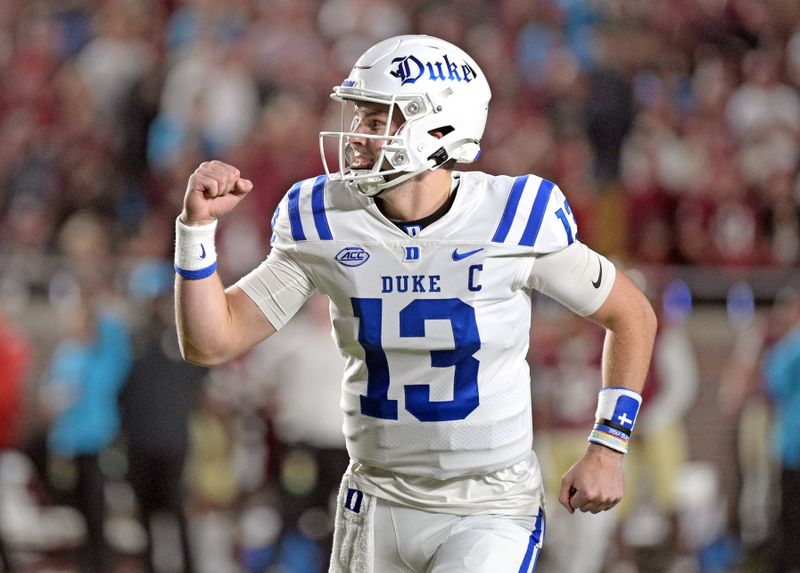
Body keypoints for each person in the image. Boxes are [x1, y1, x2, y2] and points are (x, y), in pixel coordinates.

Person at [173, 35, 657, 572]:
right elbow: (212, 342)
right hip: (376, 497)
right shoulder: (324, 218)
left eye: (379, 120)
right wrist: (196, 231)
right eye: (359, 117)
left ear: (441, 127)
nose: (357, 136)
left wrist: (609, 445)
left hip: (488, 502)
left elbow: (630, 313)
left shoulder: (513, 216)